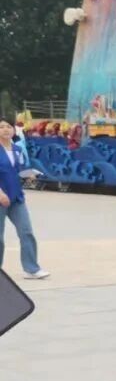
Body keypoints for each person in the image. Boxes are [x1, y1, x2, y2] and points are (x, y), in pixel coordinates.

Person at [0, 116, 48, 279]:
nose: (5, 130)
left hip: (16, 198)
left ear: (14, 130)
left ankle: (32, 268)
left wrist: (30, 175)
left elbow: (20, 170)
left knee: (26, 232)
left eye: (8, 126)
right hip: (1, 198)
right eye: (1, 127)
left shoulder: (17, 150)